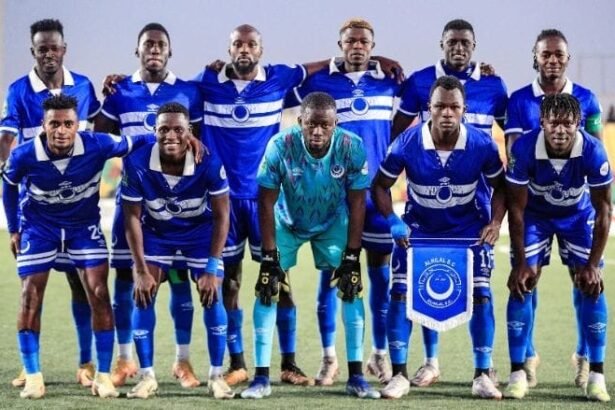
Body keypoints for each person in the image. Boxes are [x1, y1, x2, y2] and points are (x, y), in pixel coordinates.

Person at [192, 23, 403, 387]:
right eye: (238, 44)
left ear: (261, 49)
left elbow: (312, 67)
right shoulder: (207, 81)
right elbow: (175, 98)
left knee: (282, 281)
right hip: (227, 198)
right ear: (229, 49)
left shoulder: (279, 77)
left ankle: (291, 363)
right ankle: (238, 362)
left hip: (276, 199)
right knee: (232, 282)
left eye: (251, 44)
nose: (244, 49)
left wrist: (374, 59)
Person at [1, 94, 151, 399]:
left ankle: (103, 376)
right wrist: (15, 229)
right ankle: (33, 377)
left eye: (68, 124)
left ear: (77, 125)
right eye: (54, 124)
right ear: (43, 125)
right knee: (30, 296)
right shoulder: (24, 155)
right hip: (40, 229)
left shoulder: (98, 144)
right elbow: (8, 185)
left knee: (99, 293)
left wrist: (181, 137)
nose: (61, 130)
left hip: (82, 228)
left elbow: (139, 140)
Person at [390, 18, 508, 388]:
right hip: (424, 205)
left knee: (480, 289)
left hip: (474, 203)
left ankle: (485, 370)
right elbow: (396, 132)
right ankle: (424, 364)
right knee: (419, 286)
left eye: (465, 42)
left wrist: (497, 219)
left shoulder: (493, 85)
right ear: (441, 43)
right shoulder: (419, 82)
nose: (458, 48)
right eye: (452, 42)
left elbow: (513, 136)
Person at [240, 91, 379, 399]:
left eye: (324, 125)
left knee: (351, 286)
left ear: (335, 124)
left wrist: (352, 255)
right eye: (311, 124)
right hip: (287, 222)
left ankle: (356, 377)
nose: (317, 131)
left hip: (332, 223)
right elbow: (265, 201)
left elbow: (358, 203)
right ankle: (261, 378)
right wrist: (269, 257)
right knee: (267, 287)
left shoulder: (352, 146)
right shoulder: (280, 146)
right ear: (300, 121)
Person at [284, 18, 399, 385]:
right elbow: (274, 88)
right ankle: (329, 358)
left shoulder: (389, 80)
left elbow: (432, 92)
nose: (357, 46)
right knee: (330, 280)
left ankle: (378, 354)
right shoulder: (319, 83)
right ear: (340, 45)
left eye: (364, 42)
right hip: (334, 200)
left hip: (376, 196)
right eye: (351, 41)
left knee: (380, 278)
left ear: (372, 46)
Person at [94, 22, 203, 389]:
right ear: (137, 50)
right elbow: (99, 140)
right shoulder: (119, 92)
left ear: (170, 51)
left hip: (177, 208)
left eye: (160, 44)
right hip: (134, 204)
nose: (154, 49)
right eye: (148, 44)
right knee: (126, 278)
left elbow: (199, 145)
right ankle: (125, 358)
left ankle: (182, 361)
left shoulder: (188, 92)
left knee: (179, 281)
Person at [0, 18, 101, 389]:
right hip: (36, 211)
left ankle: (85, 362)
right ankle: (30, 366)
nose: (48, 54)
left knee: (81, 286)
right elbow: (7, 138)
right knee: (32, 288)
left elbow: (99, 132)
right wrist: (8, 166)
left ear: (63, 50)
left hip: (76, 209)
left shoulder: (84, 87)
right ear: (33, 51)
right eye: (41, 48)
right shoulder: (18, 91)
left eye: (53, 47)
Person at [504, 29, 603, 389]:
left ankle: (586, 357)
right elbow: (515, 155)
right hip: (535, 207)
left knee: (586, 280)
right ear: (535, 57)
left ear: (567, 57)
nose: (552, 60)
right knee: (527, 277)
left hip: (576, 209)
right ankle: (526, 357)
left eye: (559, 54)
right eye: (545, 54)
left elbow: (594, 148)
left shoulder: (587, 99)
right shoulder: (519, 100)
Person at [121, 102, 233, 399]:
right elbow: (131, 218)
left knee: (212, 294)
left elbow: (223, 215)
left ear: (189, 132)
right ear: (154, 131)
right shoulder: (137, 163)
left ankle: (216, 376)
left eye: (178, 130)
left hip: (199, 234)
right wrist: (140, 270)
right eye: (164, 129)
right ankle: (147, 377)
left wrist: (211, 267)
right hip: (157, 234)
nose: (170, 135)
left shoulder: (209, 161)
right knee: (143, 295)